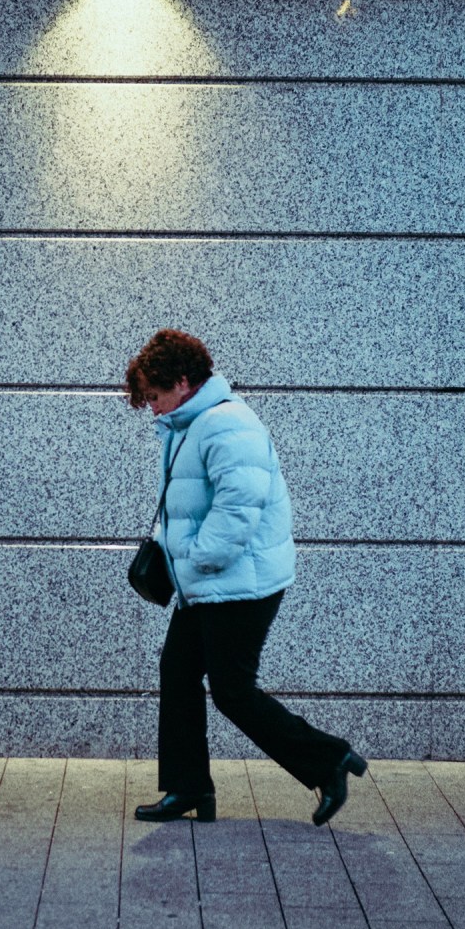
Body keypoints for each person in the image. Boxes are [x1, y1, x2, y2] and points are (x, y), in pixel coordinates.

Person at [125, 328, 365, 827]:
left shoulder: (228, 424)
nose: (150, 408)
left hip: (239, 584)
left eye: (154, 396)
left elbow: (238, 510)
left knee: (233, 691)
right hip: (207, 584)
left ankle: (329, 760)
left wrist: (193, 559)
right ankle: (188, 788)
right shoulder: (189, 425)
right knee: (177, 671)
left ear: (183, 381)